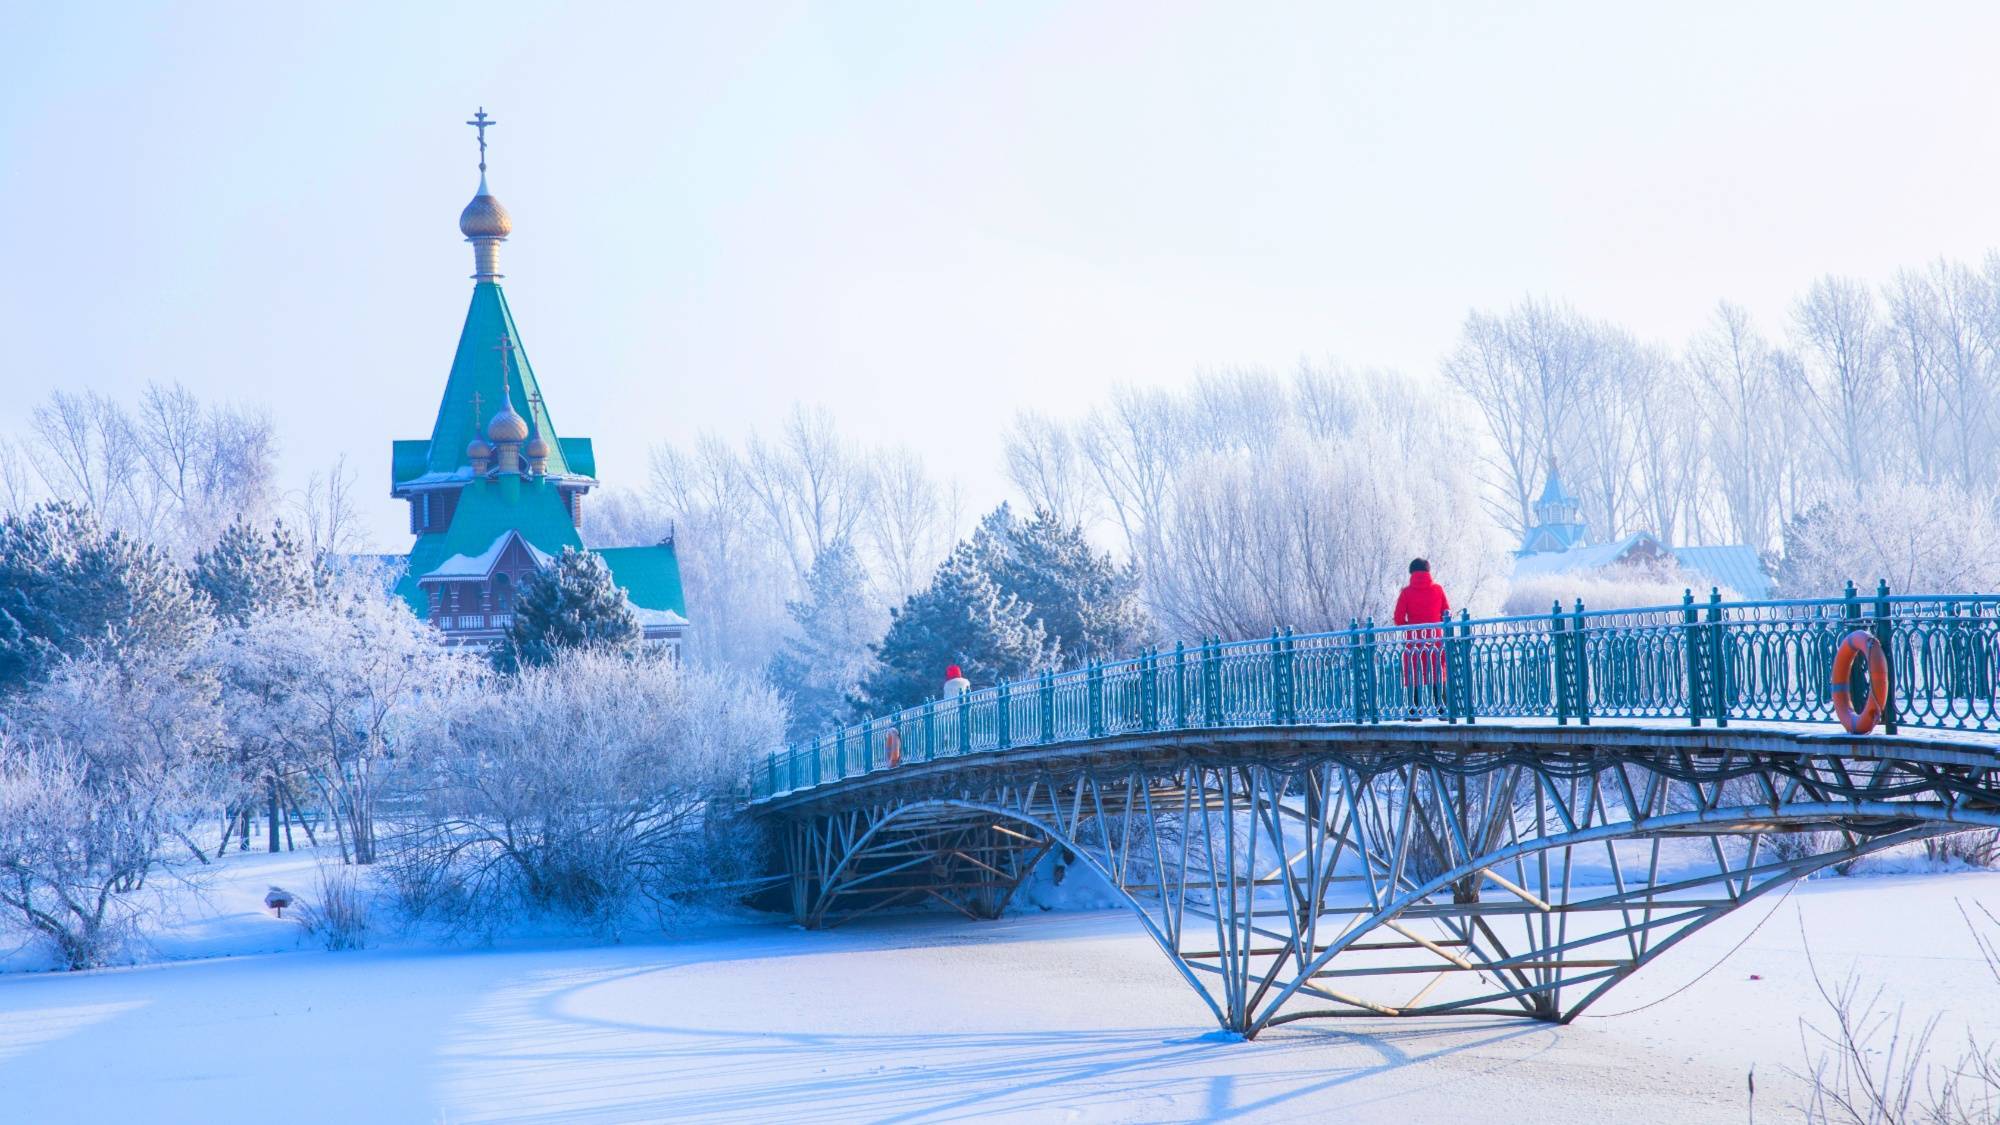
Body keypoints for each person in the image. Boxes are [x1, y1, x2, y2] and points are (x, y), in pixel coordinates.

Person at [1393, 558, 1450, 715]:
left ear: (1411, 572)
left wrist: (1411, 629)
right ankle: (1442, 710)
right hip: (1435, 642)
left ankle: (1414, 712)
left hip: (1414, 644)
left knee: (1414, 676)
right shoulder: (1438, 590)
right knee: (1437, 675)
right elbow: (1447, 614)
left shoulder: (1406, 593)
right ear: (1428, 572)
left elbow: (1398, 618)